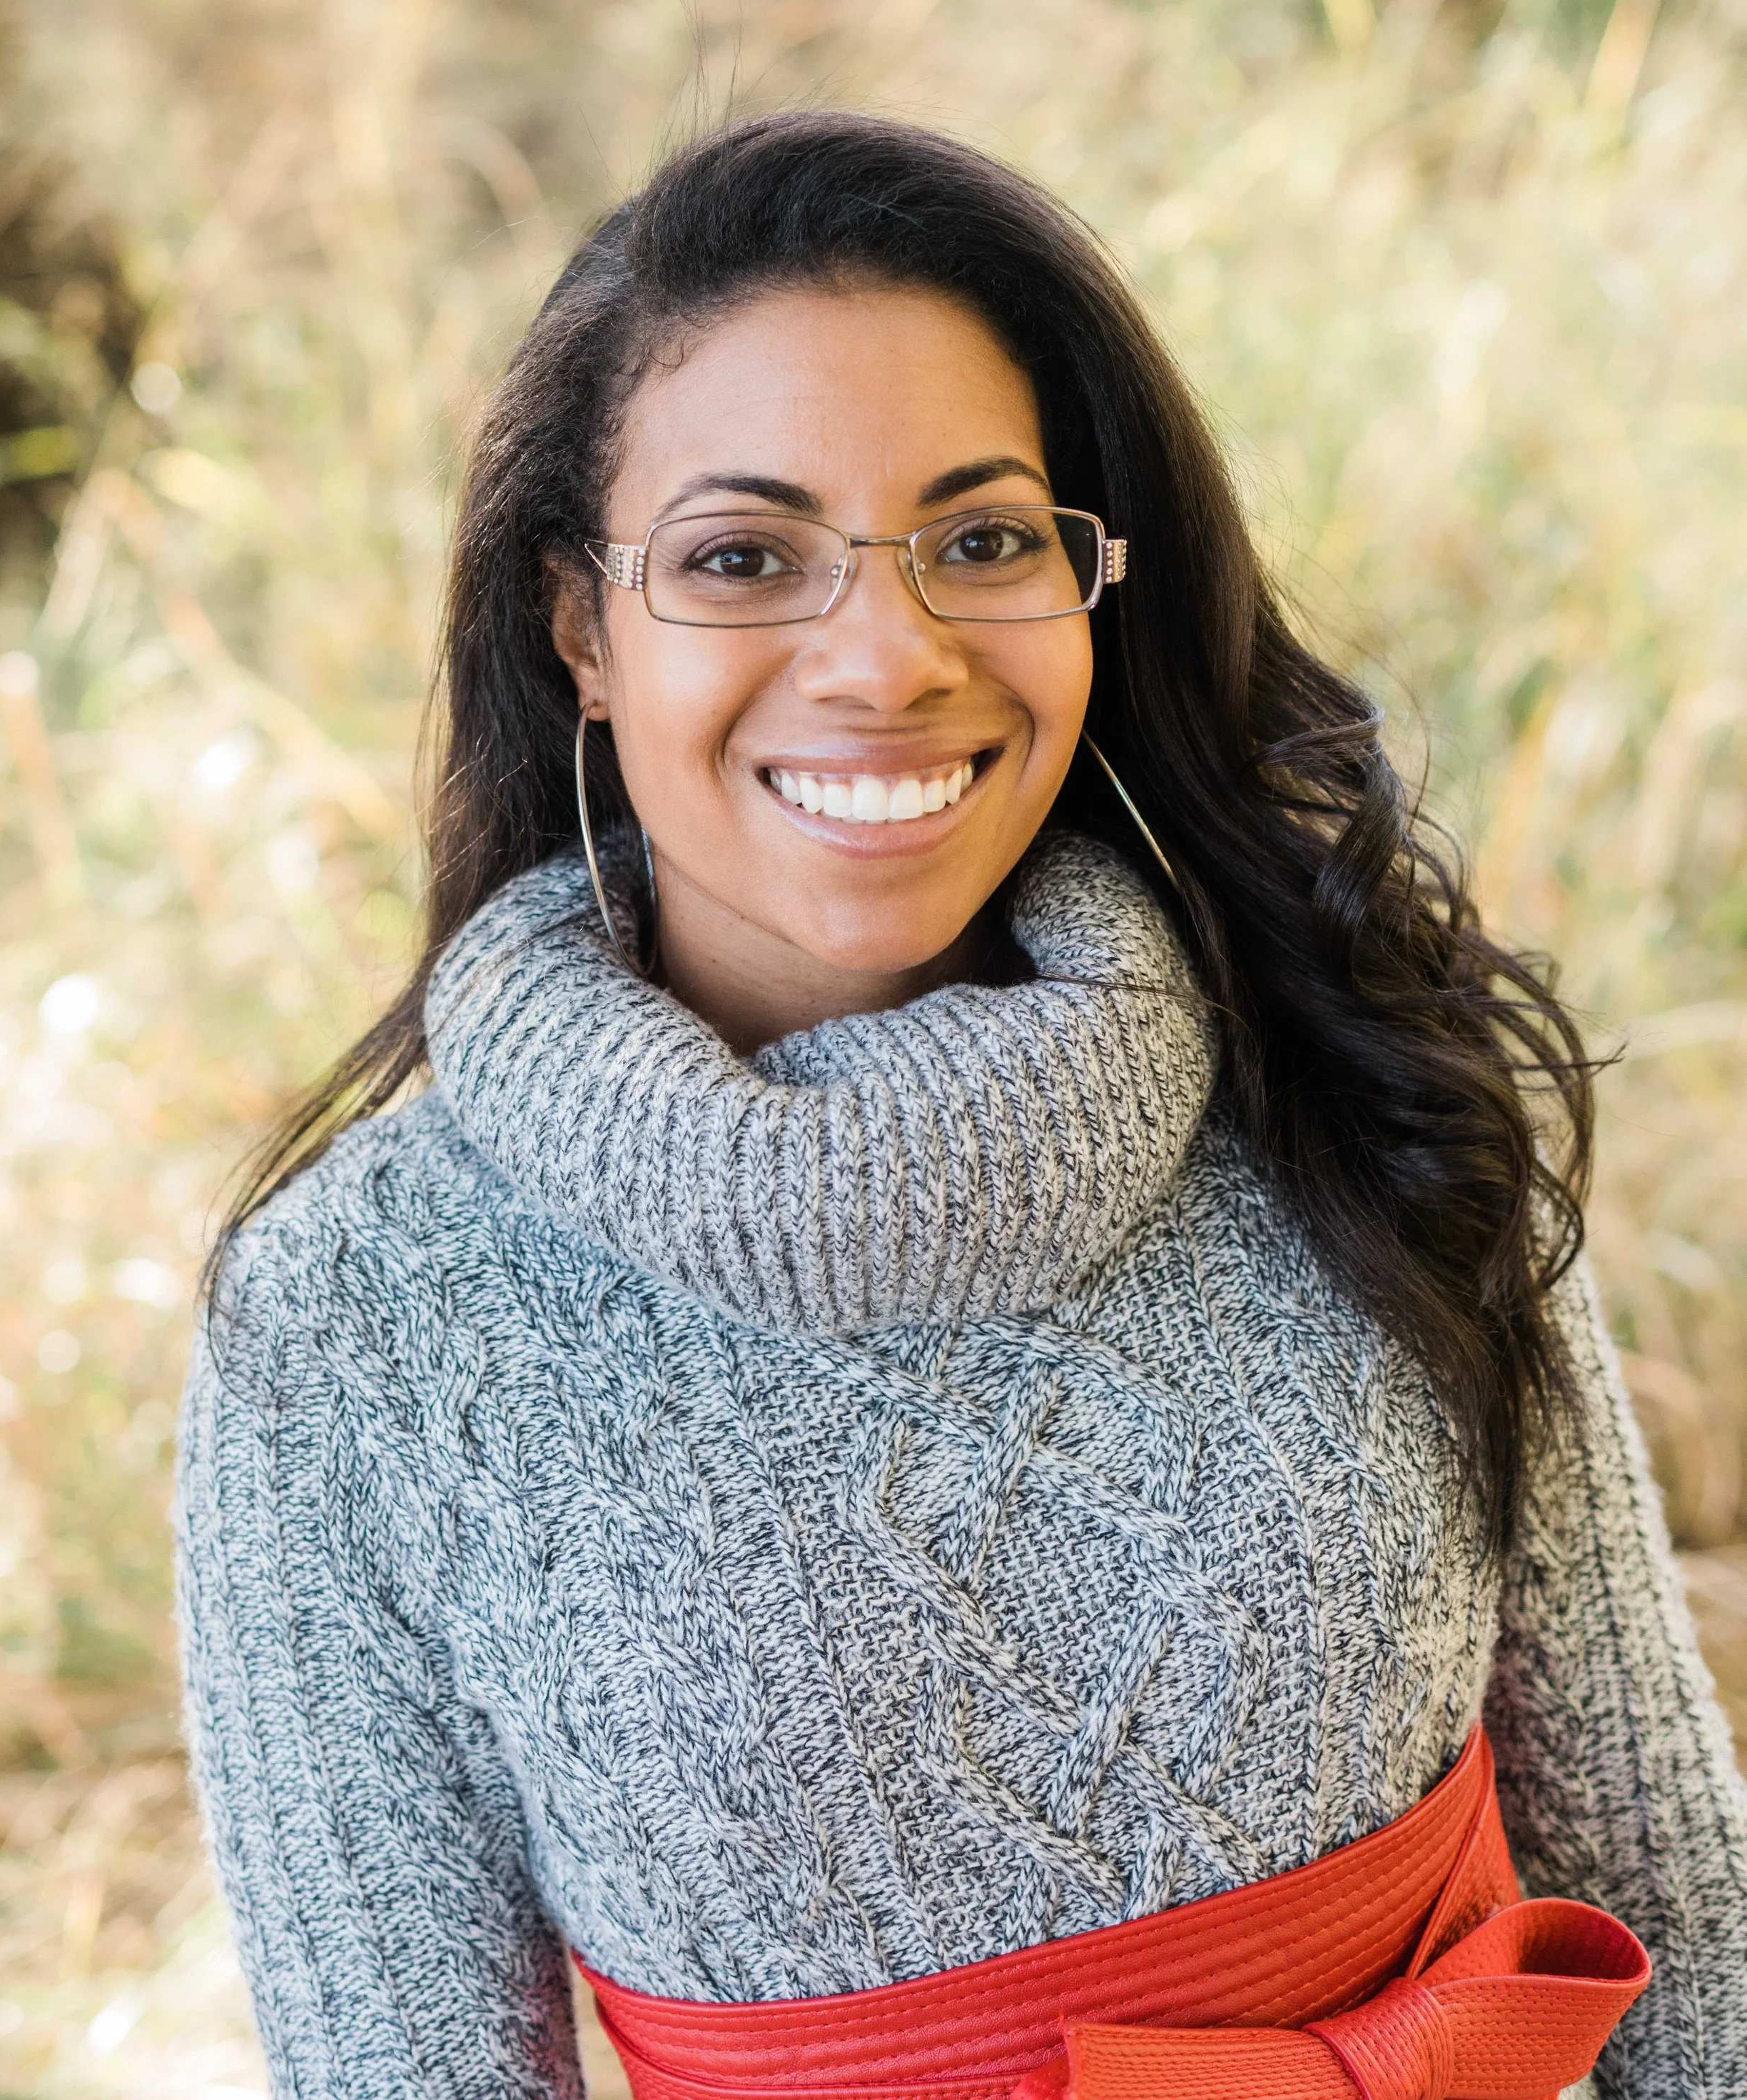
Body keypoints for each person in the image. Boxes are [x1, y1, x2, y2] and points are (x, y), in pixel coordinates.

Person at [176, 111, 1747, 2100]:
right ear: (581, 622)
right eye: (742, 556)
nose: (887, 655)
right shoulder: (348, 1325)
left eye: (983, 538)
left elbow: (1673, 1906)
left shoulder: (1350, 1068)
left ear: (1095, 580)